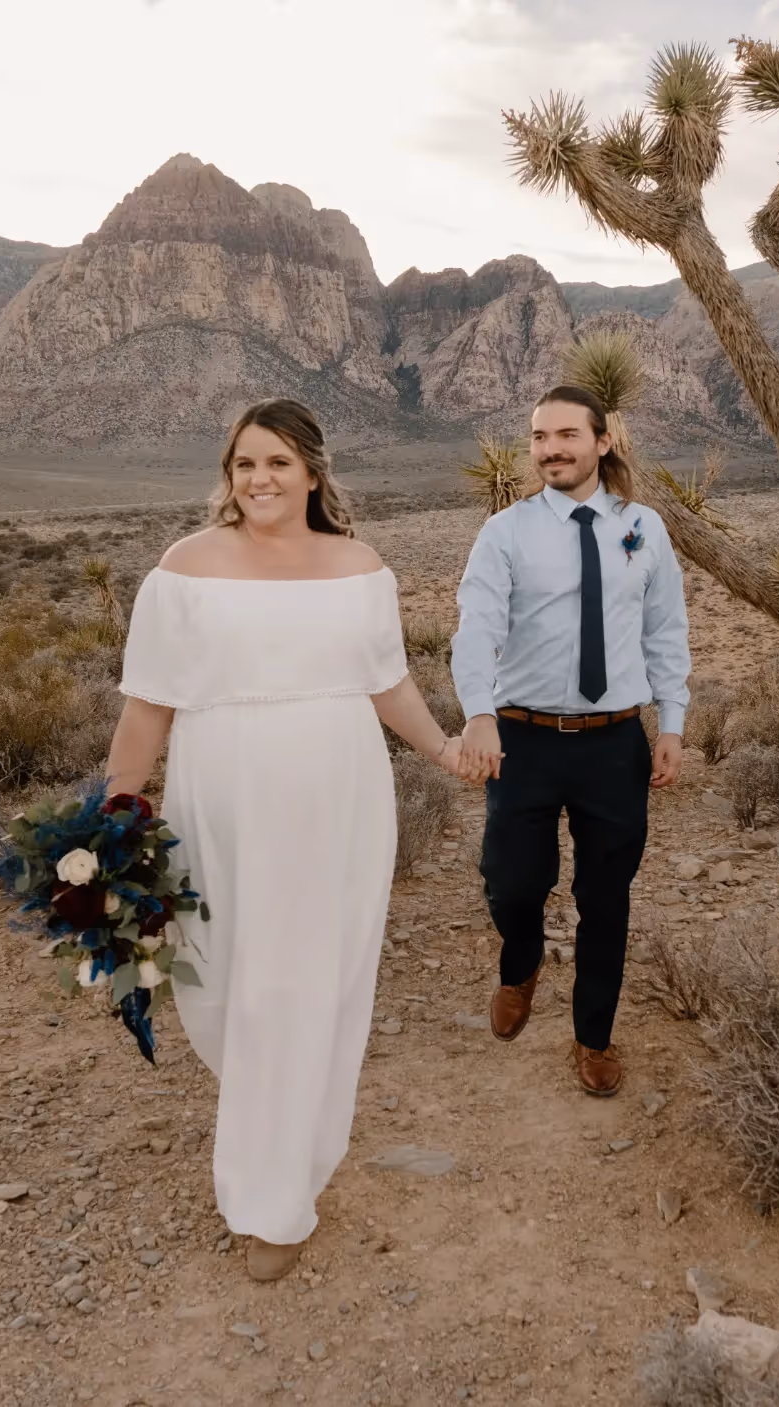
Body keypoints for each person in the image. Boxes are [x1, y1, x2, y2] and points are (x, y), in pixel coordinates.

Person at [102, 398, 464, 1284]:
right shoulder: (183, 570)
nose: (258, 479)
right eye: (243, 464)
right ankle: (271, 1141)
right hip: (220, 797)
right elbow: (147, 705)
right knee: (232, 984)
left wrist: (447, 749)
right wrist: (115, 809)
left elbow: (389, 685)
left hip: (337, 799)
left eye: (276, 463)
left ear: (312, 471)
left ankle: (276, 1197)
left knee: (305, 985)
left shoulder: (359, 567)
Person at [450, 384, 690, 1097]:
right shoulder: (507, 532)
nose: (550, 448)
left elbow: (665, 630)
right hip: (521, 739)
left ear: (601, 441)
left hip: (614, 743)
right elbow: (476, 628)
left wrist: (671, 721)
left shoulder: (643, 528)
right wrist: (478, 712)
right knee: (512, 881)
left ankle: (593, 1035)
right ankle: (521, 962)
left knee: (606, 895)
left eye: (566, 435)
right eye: (539, 437)